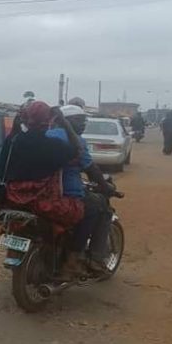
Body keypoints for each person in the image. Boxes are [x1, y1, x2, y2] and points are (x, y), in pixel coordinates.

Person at [3, 101, 85, 278]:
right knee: (79, 212)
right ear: (48, 120)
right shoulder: (53, 146)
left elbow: (3, 163)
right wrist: (65, 124)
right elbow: (77, 152)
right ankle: (71, 262)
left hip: (13, 199)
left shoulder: (13, 141)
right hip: (43, 203)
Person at [48, 105, 116, 272]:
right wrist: (105, 187)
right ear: (67, 121)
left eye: (84, 120)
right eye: (79, 120)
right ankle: (79, 257)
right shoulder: (76, 141)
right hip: (69, 193)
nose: (83, 124)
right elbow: (91, 169)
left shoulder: (46, 135)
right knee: (99, 207)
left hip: (44, 191)